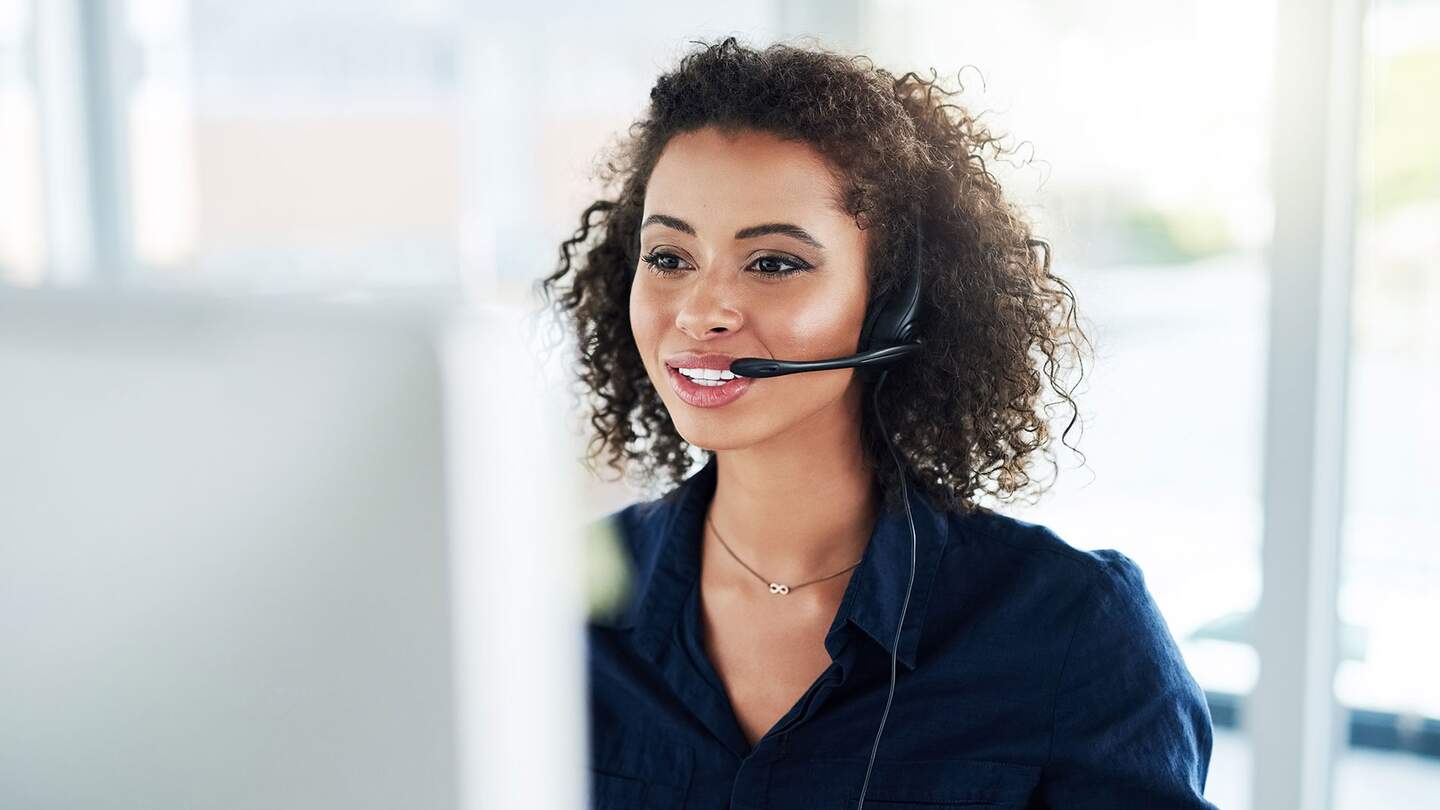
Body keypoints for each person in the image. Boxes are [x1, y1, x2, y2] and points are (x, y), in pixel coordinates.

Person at [537, 36, 1216, 810]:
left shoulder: (1071, 630)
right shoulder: (551, 604)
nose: (699, 312)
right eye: (667, 258)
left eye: (773, 264)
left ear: (891, 305)